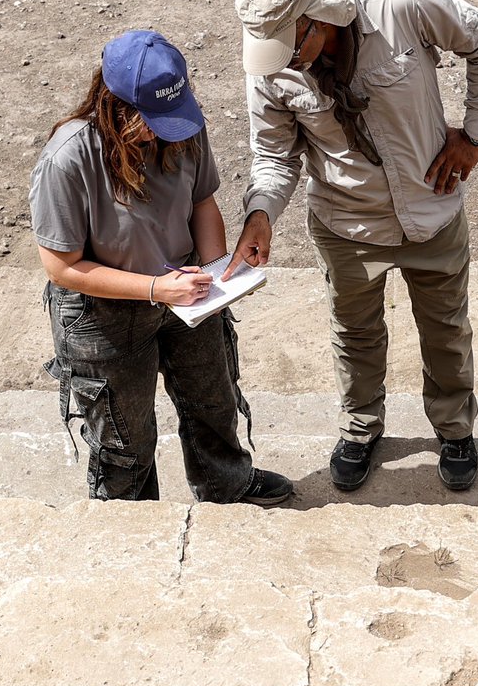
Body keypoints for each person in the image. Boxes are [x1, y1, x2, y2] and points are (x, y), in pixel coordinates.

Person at [225, 0, 478, 492]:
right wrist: (261, 215)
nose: (282, 62)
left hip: (432, 208)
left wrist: (474, 135)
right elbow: (273, 156)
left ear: (317, 17)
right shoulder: (269, 67)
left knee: (446, 330)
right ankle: (359, 428)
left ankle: (454, 431)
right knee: (354, 331)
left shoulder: (402, 6)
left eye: (289, 47)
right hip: (346, 223)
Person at [30, 28, 293, 506]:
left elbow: (202, 202)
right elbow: (62, 267)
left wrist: (216, 277)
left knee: (213, 402)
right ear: (113, 107)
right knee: (123, 439)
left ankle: (227, 486)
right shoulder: (68, 159)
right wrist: (156, 288)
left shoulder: (183, 124)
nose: (163, 133)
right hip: (102, 313)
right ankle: (129, 523)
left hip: (185, 295)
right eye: (151, 122)